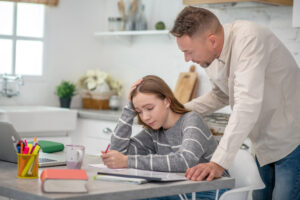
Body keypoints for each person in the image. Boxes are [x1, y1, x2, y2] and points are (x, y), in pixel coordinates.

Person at [170, 6, 300, 200]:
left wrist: (217, 163)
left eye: (189, 52)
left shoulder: (249, 39)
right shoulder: (212, 55)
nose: (187, 59)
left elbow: (246, 104)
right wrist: (177, 111)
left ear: (211, 40)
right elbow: (219, 95)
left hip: (291, 140)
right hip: (262, 144)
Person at [101, 75, 229, 200]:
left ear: (167, 101)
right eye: (139, 111)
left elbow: (185, 161)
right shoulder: (154, 130)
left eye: (149, 108)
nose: (145, 117)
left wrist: (127, 161)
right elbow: (119, 152)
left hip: (210, 191)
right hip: (180, 189)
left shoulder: (191, 120)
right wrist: (129, 108)